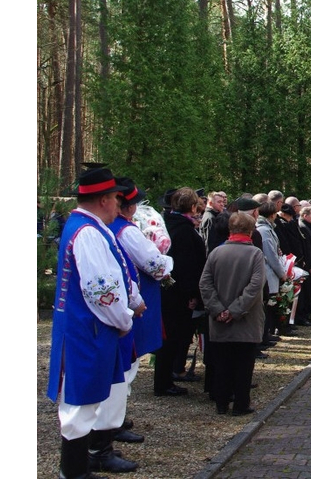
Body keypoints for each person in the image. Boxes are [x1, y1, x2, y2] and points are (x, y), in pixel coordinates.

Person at [47, 168, 139, 479]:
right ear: (103, 200)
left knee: (85, 401)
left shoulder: (85, 227)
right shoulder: (87, 233)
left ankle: (79, 467)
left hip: (84, 327)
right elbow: (102, 290)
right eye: (115, 198)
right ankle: (74, 472)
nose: (118, 204)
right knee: (80, 403)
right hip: (88, 330)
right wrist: (124, 320)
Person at [107, 178, 173, 448]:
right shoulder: (128, 232)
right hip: (134, 300)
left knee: (123, 361)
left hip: (123, 298)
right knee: (128, 362)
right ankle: (113, 421)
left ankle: (114, 418)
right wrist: (168, 261)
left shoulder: (109, 228)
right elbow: (156, 264)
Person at [200, 212, 266, 416]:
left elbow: (205, 284)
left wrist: (218, 309)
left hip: (219, 321)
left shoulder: (216, 253)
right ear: (251, 231)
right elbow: (255, 287)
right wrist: (235, 310)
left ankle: (221, 403)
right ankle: (240, 404)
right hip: (246, 319)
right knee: (244, 364)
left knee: (222, 363)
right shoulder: (255, 254)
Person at [155, 187, 206, 397]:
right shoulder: (184, 230)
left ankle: (167, 377)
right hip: (177, 293)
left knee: (172, 337)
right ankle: (164, 381)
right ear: (193, 207)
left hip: (170, 289)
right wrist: (192, 294)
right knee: (173, 338)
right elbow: (187, 266)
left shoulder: (171, 224)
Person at [256, 201, 286, 345]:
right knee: (267, 306)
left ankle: (267, 334)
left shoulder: (268, 229)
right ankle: (264, 336)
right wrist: (281, 273)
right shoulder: (264, 230)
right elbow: (270, 254)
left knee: (270, 305)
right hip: (268, 271)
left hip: (271, 270)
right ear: (272, 214)